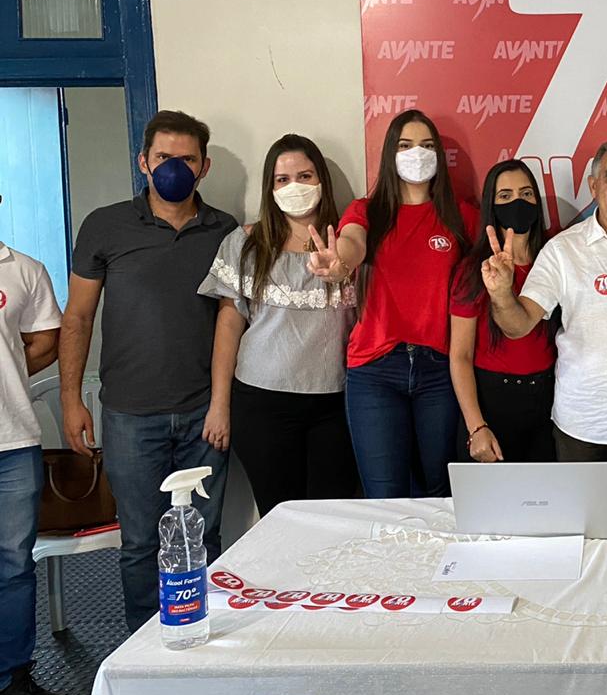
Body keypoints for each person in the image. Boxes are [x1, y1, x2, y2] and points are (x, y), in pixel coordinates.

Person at [60, 110, 237, 632]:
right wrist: (71, 400)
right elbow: (78, 317)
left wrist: (222, 404)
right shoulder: (105, 225)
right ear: (144, 162)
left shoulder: (225, 230)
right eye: (163, 157)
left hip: (204, 414)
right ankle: (145, 644)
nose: (174, 168)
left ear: (204, 166)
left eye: (186, 159)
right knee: (140, 542)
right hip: (130, 417)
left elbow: (232, 318)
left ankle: (200, 633)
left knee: (204, 538)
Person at [480, 140, 607, 495]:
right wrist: (501, 294)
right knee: (583, 523)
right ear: (593, 186)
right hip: (583, 424)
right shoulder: (562, 250)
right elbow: (519, 325)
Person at [307, 110, 474, 499]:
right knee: (385, 496)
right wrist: (339, 262)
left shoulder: (460, 215)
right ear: (389, 155)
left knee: (439, 491)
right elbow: (352, 242)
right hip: (375, 370)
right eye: (405, 145)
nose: (417, 154)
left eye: (427, 146)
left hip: (440, 369)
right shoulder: (368, 211)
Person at [198, 134, 358, 517]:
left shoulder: (351, 243)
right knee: (280, 517)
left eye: (305, 176)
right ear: (270, 188)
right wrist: (219, 405)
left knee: (332, 519)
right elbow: (228, 325)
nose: (294, 187)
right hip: (262, 404)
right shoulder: (245, 243)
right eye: (282, 179)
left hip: (337, 403)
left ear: (321, 180)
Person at [449, 161, 556, 463]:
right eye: (505, 196)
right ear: (491, 206)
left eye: (526, 193)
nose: (518, 202)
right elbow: (460, 356)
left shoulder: (554, 261)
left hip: (547, 405)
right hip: (491, 402)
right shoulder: (475, 271)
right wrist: (476, 426)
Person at [0, 236, 64, 695]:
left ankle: (11, 681)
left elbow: (44, 342)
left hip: (12, 439)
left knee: (14, 567)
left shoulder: (24, 269)